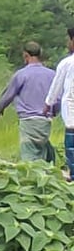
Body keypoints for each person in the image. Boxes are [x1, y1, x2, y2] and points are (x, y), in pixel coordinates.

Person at [0, 41, 57, 163]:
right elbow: (58, 97)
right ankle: (47, 174)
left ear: (25, 55)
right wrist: (54, 111)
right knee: (41, 150)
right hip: (45, 121)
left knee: (29, 155)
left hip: (28, 120)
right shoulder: (52, 75)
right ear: (40, 54)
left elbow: (9, 94)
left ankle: (32, 178)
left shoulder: (21, 74)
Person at [44, 28, 74, 180]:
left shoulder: (67, 63)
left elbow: (56, 86)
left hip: (72, 115)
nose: (68, 44)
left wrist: (48, 104)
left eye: (69, 40)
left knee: (72, 148)